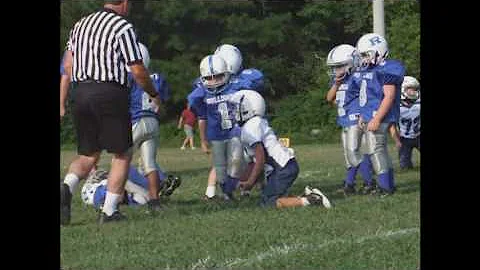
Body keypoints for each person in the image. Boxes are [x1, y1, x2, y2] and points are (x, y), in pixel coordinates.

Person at [60, 0, 162, 225]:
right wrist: (153, 93)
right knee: (122, 152)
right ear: (124, 3)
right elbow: (137, 69)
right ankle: (109, 211)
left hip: (80, 92)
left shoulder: (80, 24)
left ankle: (66, 186)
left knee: (88, 154)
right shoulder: (122, 26)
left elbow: (68, 65)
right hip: (109, 92)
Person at [230, 90, 332, 208]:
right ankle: (306, 195)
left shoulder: (250, 127)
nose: (232, 112)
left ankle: (313, 200)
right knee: (271, 195)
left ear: (248, 108)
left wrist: (250, 182)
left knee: (268, 203)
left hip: (282, 168)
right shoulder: (256, 123)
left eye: (235, 108)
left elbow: (261, 159)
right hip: (284, 166)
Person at [200, 44, 265, 200]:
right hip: (232, 129)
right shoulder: (239, 81)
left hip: (239, 127)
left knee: (250, 158)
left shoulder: (242, 80)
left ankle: (247, 188)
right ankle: (216, 191)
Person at [187, 54, 255, 201]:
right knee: (220, 170)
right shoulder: (199, 94)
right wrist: (203, 140)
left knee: (237, 161)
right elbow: (202, 118)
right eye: (209, 78)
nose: (213, 81)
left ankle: (233, 189)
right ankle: (227, 194)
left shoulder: (237, 85)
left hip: (234, 131)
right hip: (216, 135)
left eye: (217, 76)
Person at [354, 33, 406, 197]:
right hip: (372, 114)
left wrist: (376, 118)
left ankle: (385, 187)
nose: (363, 58)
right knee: (378, 149)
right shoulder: (371, 69)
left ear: (378, 51)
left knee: (376, 149)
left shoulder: (388, 68)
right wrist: (364, 114)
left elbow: (389, 96)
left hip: (382, 115)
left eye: (365, 54)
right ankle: (388, 184)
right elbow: (368, 96)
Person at [127, 42, 173, 212]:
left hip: (135, 122)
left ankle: (117, 199)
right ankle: (154, 201)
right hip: (152, 122)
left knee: (120, 161)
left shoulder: (130, 77)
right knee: (150, 164)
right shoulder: (157, 77)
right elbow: (162, 101)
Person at [325, 44, 375, 196]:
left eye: (339, 66)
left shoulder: (357, 78)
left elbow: (365, 98)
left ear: (352, 62)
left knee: (354, 152)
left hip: (355, 120)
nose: (336, 70)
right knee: (348, 156)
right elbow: (329, 98)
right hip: (345, 120)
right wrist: (337, 84)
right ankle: (349, 184)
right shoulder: (338, 81)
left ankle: (370, 183)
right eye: (335, 67)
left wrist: (362, 114)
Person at [80, 166, 181, 210]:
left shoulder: (97, 193)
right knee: (127, 171)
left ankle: (159, 188)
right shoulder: (97, 192)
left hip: (132, 199)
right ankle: (159, 187)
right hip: (129, 197)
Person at [397, 76, 421, 170]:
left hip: (419, 135)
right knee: (405, 166)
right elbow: (392, 125)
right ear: (403, 89)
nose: (413, 92)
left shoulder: (419, 102)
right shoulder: (396, 105)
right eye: (410, 89)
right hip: (404, 138)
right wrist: (396, 139)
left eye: (415, 89)